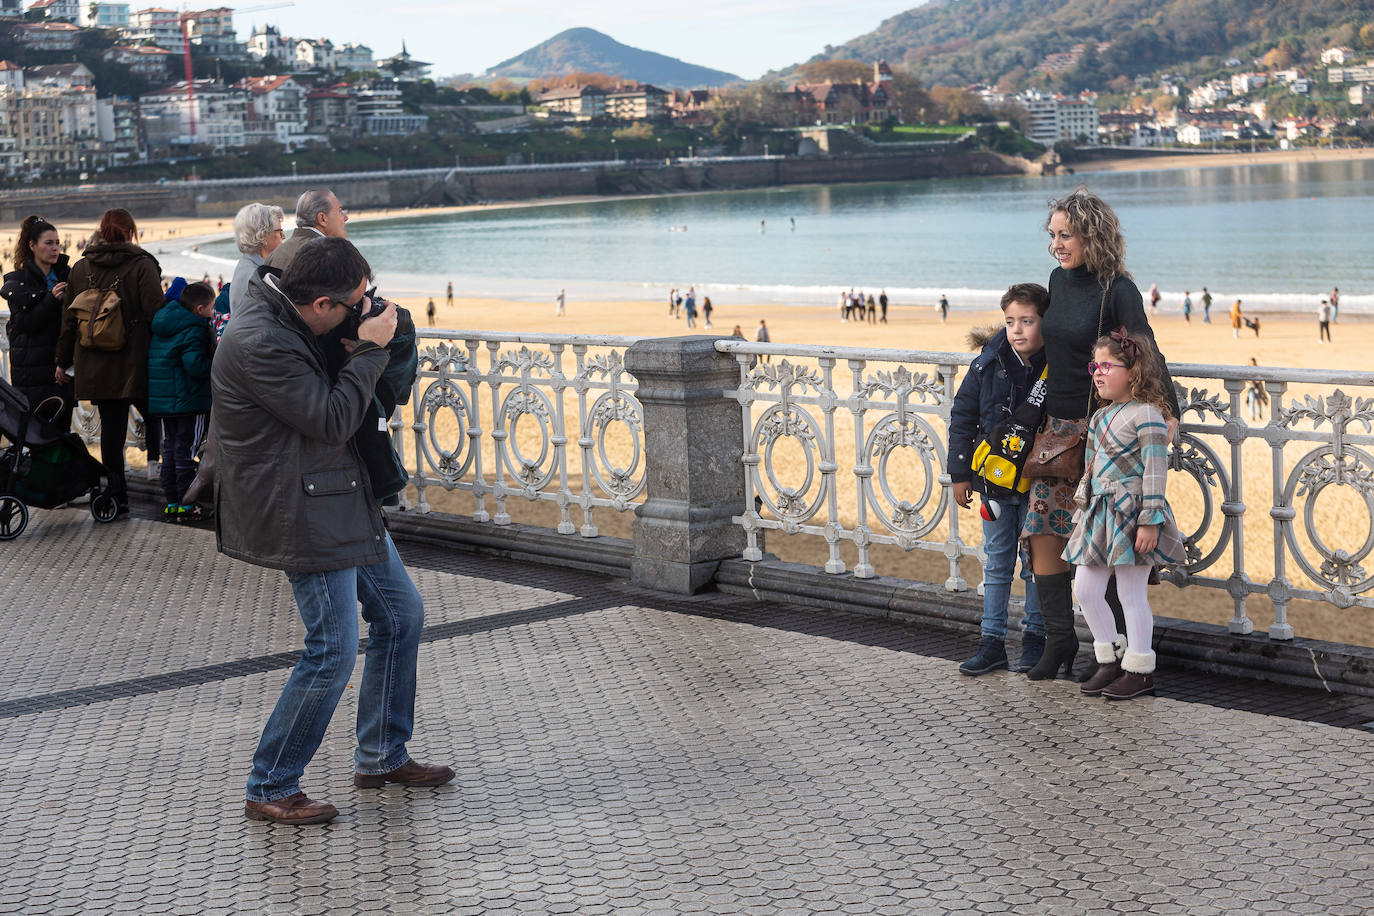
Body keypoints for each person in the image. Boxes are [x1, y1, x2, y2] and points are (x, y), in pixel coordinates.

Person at [214, 237, 453, 826]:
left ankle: (381, 755)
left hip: (340, 493)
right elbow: (330, 419)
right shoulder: (259, 341)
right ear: (321, 303)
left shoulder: (294, 319)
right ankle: (270, 783)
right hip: (303, 507)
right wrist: (368, 351)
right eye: (355, 301)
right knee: (332, 650)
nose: (364, 307)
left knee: (402, 615)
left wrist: (371, 337)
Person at [1025, 187, 1179, 682]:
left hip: (1103, 436)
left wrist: (1168, 409)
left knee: (1107, 548)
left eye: (1066, 235)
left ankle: (1112, 656)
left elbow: (1146, 350)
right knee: (1045, 536)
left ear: (1093, 235)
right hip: (1056, 431)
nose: (1057, 245)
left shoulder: (1119, 289)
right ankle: (1060, 641)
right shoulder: (1057, 280)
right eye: (1052, 235)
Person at [1068, 329, 1185, 700]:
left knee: (1130, 593)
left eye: (1107, 366)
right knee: (1085, 589)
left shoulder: (1147, 415)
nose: (1098, 374)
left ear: (1133, 371)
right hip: (1100, 513)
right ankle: (1111, 658)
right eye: (1095, 367)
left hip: (1133, 514)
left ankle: (1140, 671)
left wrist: (1150, 520)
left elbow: (1155, 471)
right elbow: (1089, 469)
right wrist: (1083, 513)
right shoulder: (1100, 417)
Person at [948, 283, 1049, 676]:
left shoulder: (1057, 366)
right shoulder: (986, 364)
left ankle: (1035, 640)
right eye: (1010, 321)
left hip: (1041, 483)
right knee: (997, 562)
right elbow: (963, 416)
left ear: (1045, 322)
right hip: (994, 482)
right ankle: (991, 643)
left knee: (1037, 564)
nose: (1017, 330)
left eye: (1027, 321)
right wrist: (960, 473)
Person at [55, 208, 165, 519]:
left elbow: (68, 322)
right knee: (160, 414)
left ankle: (117, 496)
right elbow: (156, 314)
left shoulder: (81, 268)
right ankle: (164, 474)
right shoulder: (142, 265)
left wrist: (62, 360)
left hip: (95, 361)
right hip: (135, 359)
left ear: (102, 232)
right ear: (130, 232)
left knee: (112, 433)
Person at [147, 281, 214, 522]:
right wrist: (216, 361)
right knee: (186, 452)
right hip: (189, 402)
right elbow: (195, 366)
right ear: (199, 309)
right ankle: (188, 505)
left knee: (171, 451)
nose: (213, 313)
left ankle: (173, 502)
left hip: (166, 402)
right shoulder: (194, 328)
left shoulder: (164, 324)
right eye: (211, 308)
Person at [2, 215, 72, 431]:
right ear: (32, 245)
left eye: (57, 243)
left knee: (62, 434)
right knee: (37, 434)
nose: (55, 248)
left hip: (63, 369)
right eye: (49, 243)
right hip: (33, 373)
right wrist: (50, 300)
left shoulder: (67, 275)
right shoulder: (19, 282)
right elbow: (25, 324)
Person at [267, 189, 348, 270]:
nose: (346, 218)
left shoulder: (273, 255)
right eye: (340, 211)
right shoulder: (329, 255)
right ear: (322, 219)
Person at [229, 202, 286, 316]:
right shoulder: (256, 277)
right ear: (263, 236)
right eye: (280, 232)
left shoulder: (246, 265)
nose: (283, 236)